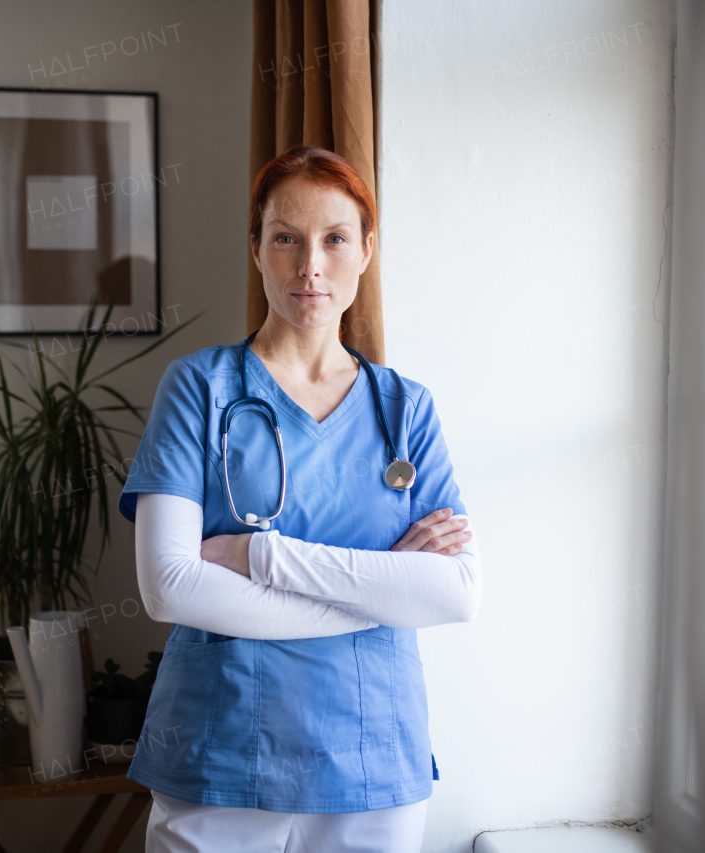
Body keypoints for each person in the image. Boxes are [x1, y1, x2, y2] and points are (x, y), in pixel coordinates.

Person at [117, 146, 482, 853]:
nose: (309, 265)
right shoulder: (198, 389)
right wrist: (376, 593)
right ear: (256, 246)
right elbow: (168, 586)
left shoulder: (406, 408)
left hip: (372, 760)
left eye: (334, 239)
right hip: (220, 754)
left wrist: (260, 555)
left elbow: (456, 592)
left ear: (366, 250)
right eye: (285, 237)